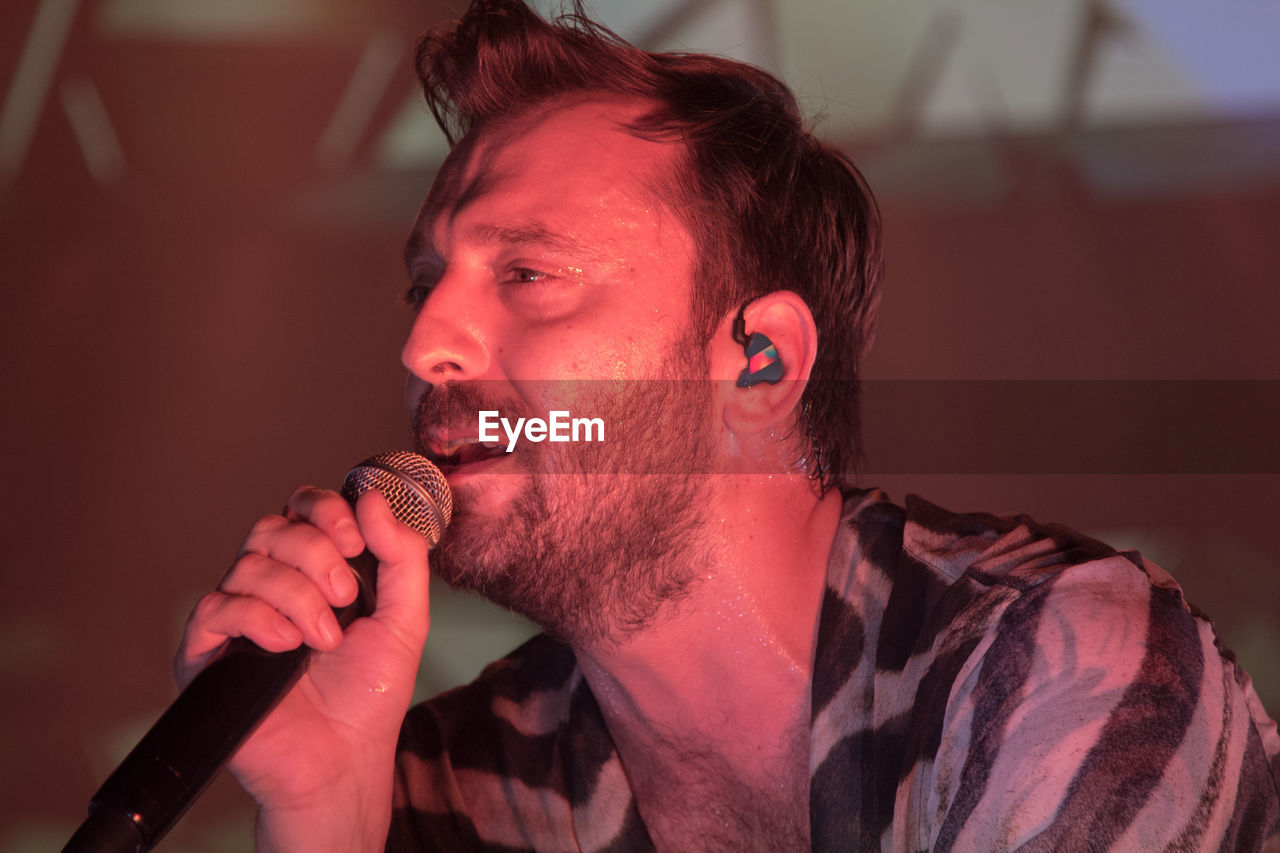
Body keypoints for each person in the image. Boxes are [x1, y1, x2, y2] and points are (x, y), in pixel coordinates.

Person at [176, 1, 1280, 849]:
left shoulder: (1047, 661)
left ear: (756, 363)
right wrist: (324, 816)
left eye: (526, 271)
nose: (426, 347)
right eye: (425, 284)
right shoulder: (454, 776)